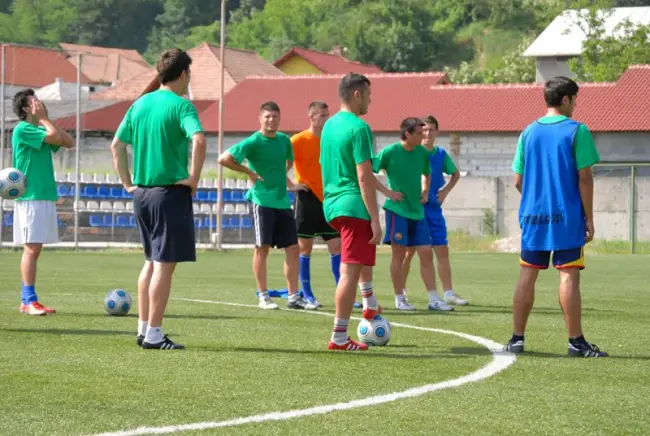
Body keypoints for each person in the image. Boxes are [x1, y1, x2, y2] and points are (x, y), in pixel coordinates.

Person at [504, 76, 608, 358]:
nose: (576, 105)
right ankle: (576, 342)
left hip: (534, 217)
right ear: (565, 100)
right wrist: (588, 217)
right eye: (575, 99)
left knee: (527, 273)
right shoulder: (578, 131)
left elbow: (517, 180)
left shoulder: (528, 132)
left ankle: (516, 340)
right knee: (569, 275)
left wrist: (537, 201)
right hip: (566, 216)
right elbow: (584, 179)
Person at [111, 48, 207, 350]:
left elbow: (116, 145)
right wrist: (193, 178)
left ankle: (143, 328)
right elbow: (200, 139)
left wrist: (127, 183)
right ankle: (153, 333)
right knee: (164, 264)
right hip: (169, 193)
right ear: (183, 74)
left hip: (142, 194)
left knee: (151, 261)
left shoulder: (139, 104)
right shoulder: (182, 106)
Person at [320, 73, 397, 351]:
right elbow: (363, 177)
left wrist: (385, 193)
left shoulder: (328, 126)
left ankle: (369, 303)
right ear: (357, 94)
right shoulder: (359, 128)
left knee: (357, 260)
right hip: (354, 206)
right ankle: (339, 336)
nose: (370, 100)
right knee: (349, 271)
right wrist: (376, 219)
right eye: (368, 95)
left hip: (333, 205)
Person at [218, 101, 318, 311]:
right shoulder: (253, 141)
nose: (272, 120)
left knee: (292, 248)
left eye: (275, 116)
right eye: (267, 117)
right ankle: (263, 296)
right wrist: (249, 172)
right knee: (262, 248)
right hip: (261, 201)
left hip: (282, 202)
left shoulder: (283, 140)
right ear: (260, 119)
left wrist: (289, 184)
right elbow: (224, 159)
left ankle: (293, 297)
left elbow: (288, 163)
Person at [374, 117, 451, 312]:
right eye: (419, 133)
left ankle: (434, 300)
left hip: (417, 212)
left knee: (426, 253)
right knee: (398, 255)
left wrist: (425, 191)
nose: (424, 136)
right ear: (407, 134)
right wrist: (387, 192)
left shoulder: (421, 153)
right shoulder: (390, 152)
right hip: (397, 210)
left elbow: (427, 173)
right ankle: (400, 298)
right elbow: (367, 171)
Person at [11, 89, 75, 316]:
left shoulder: (39, 128)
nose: (40, 103)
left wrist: (47, 120)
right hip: (31, 197)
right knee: (31, 248)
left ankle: (25, 300)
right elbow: (56, 138)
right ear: (27, 108)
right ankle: (29, 301)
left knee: (35, 248)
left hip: (43, 196)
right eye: (35, 101)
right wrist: (45, 119)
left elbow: (68, 141)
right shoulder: (24, 129)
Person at [402, 115, 464, 309]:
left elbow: (455, 174)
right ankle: (401, 291)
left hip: (435, 210)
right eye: (424, 130)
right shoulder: (412, 152)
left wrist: (445, 191)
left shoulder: (441, 155)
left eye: (431, 130)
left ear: (437, 132)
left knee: (442, 250)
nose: (427, 133)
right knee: (410, 252)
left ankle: (448, 293)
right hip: (415, 209)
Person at [290, 101, 342, 307]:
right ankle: (307, 293)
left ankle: (342, 292)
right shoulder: (298, 140)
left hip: (328, 199)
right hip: (307, 199)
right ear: (311, 117)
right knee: (305, 248)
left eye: (327, 115)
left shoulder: (331, 140)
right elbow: (282, 163)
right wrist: (291, 184)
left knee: (336, 246)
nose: (325, 118)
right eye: (322, 115)